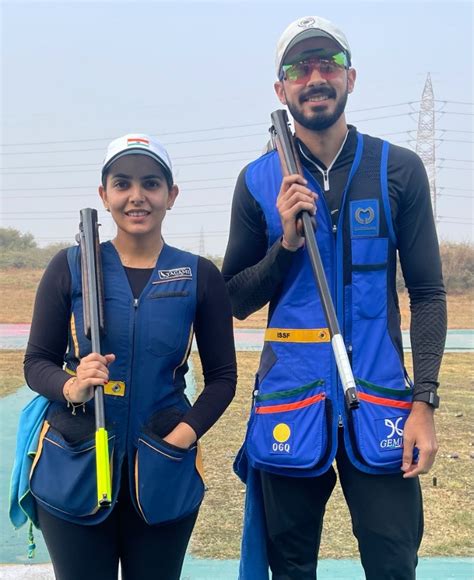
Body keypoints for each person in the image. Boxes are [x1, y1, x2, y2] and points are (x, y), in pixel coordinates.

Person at [222, 16, 446, 580]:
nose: (314, 78)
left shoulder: (398, 169)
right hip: (289, 404)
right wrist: (286, 245)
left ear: (350, 78)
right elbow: (234, 298)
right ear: (281, 89)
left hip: (383, 408)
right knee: (289, 568)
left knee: (394, 565)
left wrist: (425, 403)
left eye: (328, 65)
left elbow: (428, 293)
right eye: (300, 68)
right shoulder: (257, 181)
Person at [23, 133, 237, 580]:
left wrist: (184, 435)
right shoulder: (70, 266)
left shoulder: (200, 275)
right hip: (76, 462)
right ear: (104, 195)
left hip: (163, 466)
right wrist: (70, 385)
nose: (136, 196)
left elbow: (222, 378)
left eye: (151, 183)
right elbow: (36, 361)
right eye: (122, 184)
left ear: (171, 195)